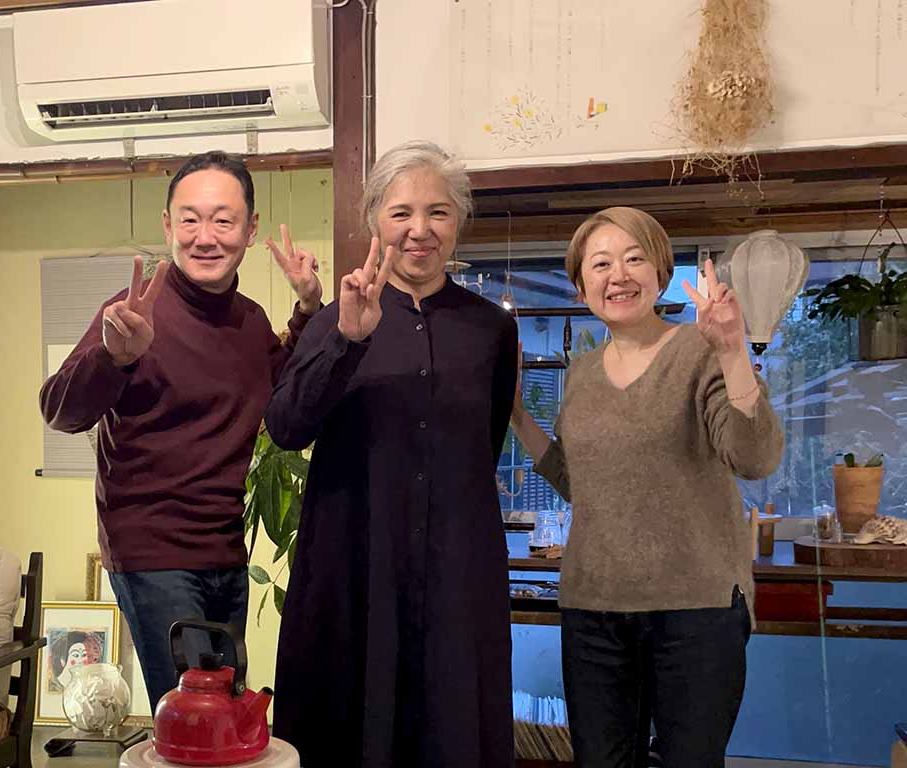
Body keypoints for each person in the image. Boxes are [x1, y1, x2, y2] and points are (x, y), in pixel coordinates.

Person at [264, 140, 518, 768]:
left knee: (451, 728)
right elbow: (287, 427)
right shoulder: (333, 320)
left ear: (458, 222)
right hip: (355, 567)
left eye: (438, 212)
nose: (419, 230)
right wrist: (347, 341)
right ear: (375, 220)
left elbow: (483, 445)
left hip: (457, 572)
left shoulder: (492, 329)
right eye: (401, 212)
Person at [39, 151, 322, 711]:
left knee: (223, 711)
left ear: (250, 230)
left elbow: (283, 390)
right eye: (190, 219)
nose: (205, 236)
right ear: (168, 226)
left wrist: (309, 308)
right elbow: (61, 412)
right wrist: (114, 358)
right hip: (152, 550)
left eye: (223, 220)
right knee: (195, 716)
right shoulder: (133, 313)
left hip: (224, 550)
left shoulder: (249, 321)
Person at [510, 206, 784, 768]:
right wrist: (515, 412)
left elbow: (755, 458)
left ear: (660, 273)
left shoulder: (700, 350)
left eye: (634, 259)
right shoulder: (581, 374)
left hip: (696, 609)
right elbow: (582, 485)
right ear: (581, 285)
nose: (619, 275)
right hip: (594, 609)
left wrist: (733, 350)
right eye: (600, 264)